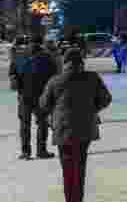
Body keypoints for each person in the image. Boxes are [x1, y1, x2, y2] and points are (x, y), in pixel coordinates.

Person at [39, 47, 112, 202]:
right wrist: (92, 108)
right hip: (85, 128)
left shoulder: (56, 80)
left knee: (67, 167)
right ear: (81, 62)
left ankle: (69, 199)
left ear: (65, 62)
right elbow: (106, 98)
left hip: (62, 128)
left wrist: (54, 112)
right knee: (80, 166)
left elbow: (44, 104)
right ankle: (78, 199)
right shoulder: (92, 78)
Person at [9, 36, 57, 160]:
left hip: (24, 95)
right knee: (42, 123)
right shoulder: (47, 58)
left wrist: (17, 82)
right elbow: (54, 76)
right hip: (41, 95)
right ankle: (41, 150)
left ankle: (25, 152)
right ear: (41, 44)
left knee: (25, 124)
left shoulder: (19, 56)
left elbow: (12, 72)